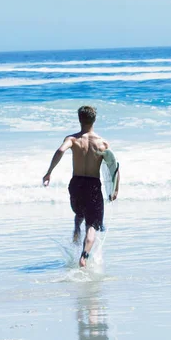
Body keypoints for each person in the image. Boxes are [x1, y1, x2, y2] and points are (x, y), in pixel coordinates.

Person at [43, 105, 119, 267]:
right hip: (93, 184)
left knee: (80, 213)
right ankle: (84, 256)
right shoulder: (102, 143)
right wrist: (115, 189)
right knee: (92, 225)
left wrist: (49, 172)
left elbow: (60, 151)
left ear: (79, 119)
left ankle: (76, 230)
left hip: (76, 184)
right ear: (94, 120)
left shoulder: (72, 139)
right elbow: (114, 168)